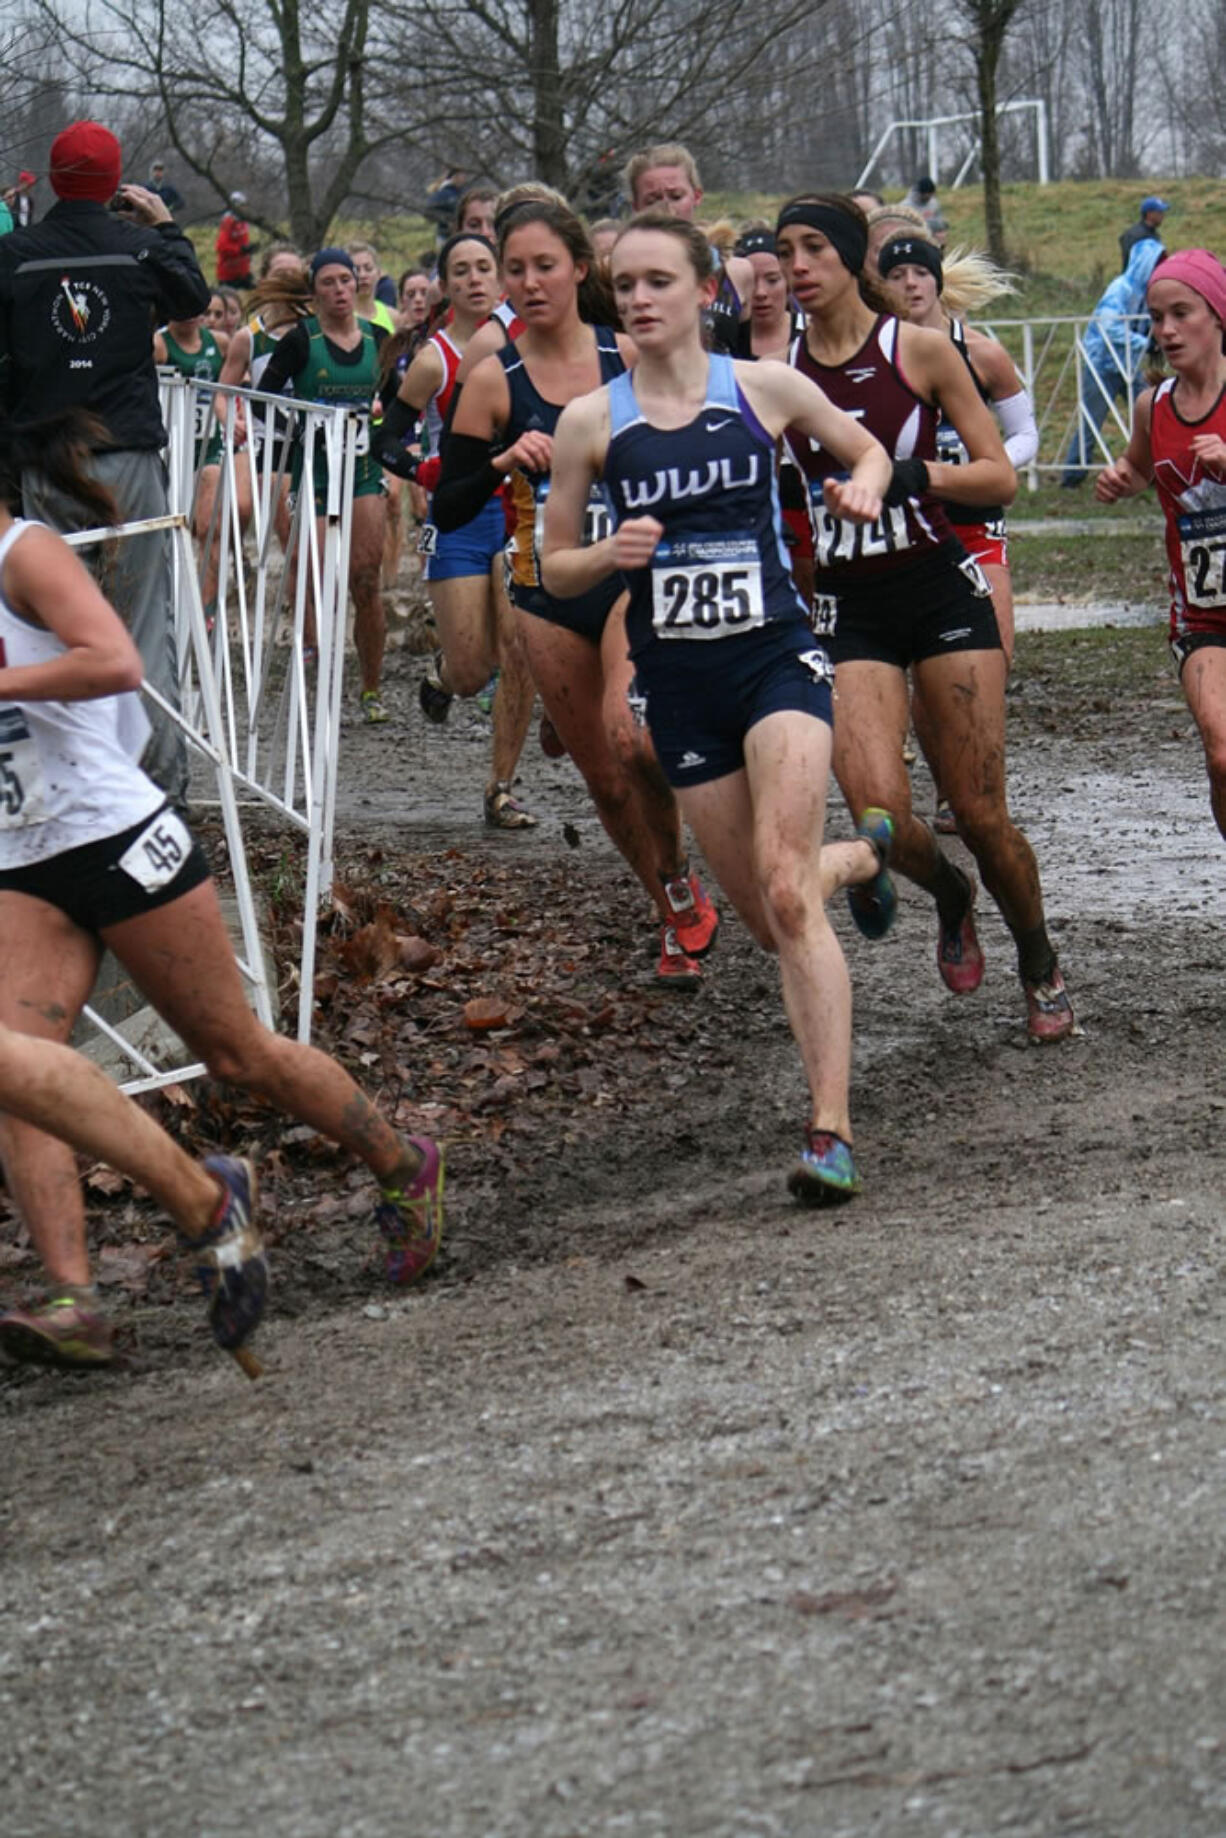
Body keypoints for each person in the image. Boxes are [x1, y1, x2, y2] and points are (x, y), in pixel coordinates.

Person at [0, 410, 445, 1372]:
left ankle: (405, 1164)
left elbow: (115, 659)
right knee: (18, 1077)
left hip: (117, 836)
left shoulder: (23, 552)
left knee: (235, 1052)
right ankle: (75, 1297)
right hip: (23, 857)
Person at [543, 211, 897, 1201]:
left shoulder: (763, 389)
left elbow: (864, 452)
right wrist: (605, 557)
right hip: (682, 688)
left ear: (706, 293)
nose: (639, 298)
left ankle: (829, 1128)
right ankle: (863, 856)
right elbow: (552, 563)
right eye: (625, 283)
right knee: (771, 911)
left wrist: (860, 490)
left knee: (785, 892)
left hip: (775, 662)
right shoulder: (591, 423)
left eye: (659, 279)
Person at [775, 192, 1074, 1043]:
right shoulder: (776, 371)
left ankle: (1039, 955)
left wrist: (915, 478)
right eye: (787, 252)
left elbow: (999, 477)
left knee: (980, 815)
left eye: (813, 251)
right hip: (848, 604)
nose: (797, 267)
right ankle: (951, 896)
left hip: (941, 589)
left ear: (849, 263)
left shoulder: (920, 350)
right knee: (880, 816)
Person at [432, 197, 720, 985]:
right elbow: (448, 502)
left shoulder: (628, 357)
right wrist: (500, 460)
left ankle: (682, 863)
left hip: (633, 580)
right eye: (514, 269)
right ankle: (671, 904)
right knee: (600, 775)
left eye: (544, 267)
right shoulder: (493, 380)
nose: (528, 283)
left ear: (579, 271)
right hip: (543, 590)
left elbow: (694, 450)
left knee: (630, 737)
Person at [0, 119, 211, 810]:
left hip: (45, 462)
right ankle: (159, 798)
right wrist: (166, 223)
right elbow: (192, 301)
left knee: (50, 632)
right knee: (143, 624)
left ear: (56, 181)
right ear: (116, 181)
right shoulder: (141, 246)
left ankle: (67, 790)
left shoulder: (15, 253)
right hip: (125, 456)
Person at [877, 232, 1039, 829]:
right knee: (929, 672)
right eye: (897, 276)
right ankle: (950, 788)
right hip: (915, 527)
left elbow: (1026, 435)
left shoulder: (983, 354)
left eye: (921, 273)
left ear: (938, 281)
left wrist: (981, 469)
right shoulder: (881, 358)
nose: (911, 284)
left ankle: (986, 786)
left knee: (992, 656)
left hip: (975, 520)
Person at [378, 232, 537, 828]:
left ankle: (501, 786)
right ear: (445, 285)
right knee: (475, 670)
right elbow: (384, 438)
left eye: (484, 268)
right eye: (461, 271)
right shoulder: (433, 359)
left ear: (501, 278)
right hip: (459, 514)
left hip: (518, 506)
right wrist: (424, 469)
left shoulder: (527, 344)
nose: (474, 279)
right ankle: (444, 672)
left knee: (517, 646)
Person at [1096, 250, 1226, 839]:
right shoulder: (1154, 406)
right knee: (1222, 756)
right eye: (1156, 317)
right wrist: (1123, 477)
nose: (1167, 331)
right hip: (1200, 615)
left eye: (1182, 313)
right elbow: (1140, 465)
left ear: (1217, 316)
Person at [256, 247, 392, 722]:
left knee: (365, 579)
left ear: (358, 285)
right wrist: (305, 420)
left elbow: (400, 407)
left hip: (361, 474)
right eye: (329, 282)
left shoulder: (378, 339)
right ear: (314, 292)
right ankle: (319, 675)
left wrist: (382, 421)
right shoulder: (299, 341)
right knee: (313, 573)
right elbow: (261, 402)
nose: (339, 290)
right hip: (313, 472)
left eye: (346, 280)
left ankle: (372, 690)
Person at [623, 144, 753, 355]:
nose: (667, 208)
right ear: (636, 206)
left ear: (697, 196)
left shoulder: (737, 271)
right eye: (653, 200)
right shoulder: (623, 278)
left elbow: (748, 356)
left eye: (676, 196)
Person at [1062, 235, 1166, 486]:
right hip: (1102, 363)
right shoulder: (1121, 288)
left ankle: (1155, 470)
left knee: (1153, 413)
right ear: (1144, 264)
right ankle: (1072, 476)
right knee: (1092, 419)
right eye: (1157, 264)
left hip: (1128, 364)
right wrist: (1144, 342)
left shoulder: (1149, 294)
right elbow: (1109, 326)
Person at [348, 241, 397, 333]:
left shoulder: (393, 317)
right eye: (356, 270)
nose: (362, 275)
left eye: (368, 269)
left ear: (378, 273)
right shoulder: (341, 317)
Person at [1120, 195, 1170, 272]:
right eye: (1159, 212)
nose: (1163, 215)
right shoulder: (1138, 235)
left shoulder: (1151, 233)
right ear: (1149, 214)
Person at [215, 192, 252, 288]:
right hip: (229, 276)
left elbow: (243, 243)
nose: (245, 208)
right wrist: (240, 250)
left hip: (243, 273)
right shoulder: (228, 222)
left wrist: (249, 250)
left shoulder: (243, 222)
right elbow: (222, 247)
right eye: (242, 205)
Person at [904, 175, 948, 246]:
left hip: (932, 237)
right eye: (928, 195)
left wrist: (942, 226)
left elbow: (939, 219)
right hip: (914, 239)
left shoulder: (934, 203)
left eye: (932, 194)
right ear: (921, 193)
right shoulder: (906, 206)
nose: (930, 197)